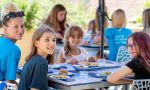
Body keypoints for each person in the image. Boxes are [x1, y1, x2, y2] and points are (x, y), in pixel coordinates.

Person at [0, 3, 25, 85]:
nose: (20, 30)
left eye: (22, 26)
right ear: (5, 27)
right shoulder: (14, 50)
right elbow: (9, 82)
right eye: (16, 27)